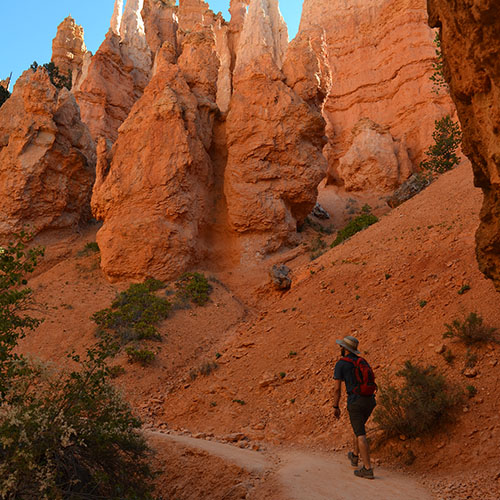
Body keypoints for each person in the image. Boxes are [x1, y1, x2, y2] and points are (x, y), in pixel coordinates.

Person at [332, 335, 376, 479]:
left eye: (341, 347)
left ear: (345, 349)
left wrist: (335, 406)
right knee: (359, 428)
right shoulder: (361, 361)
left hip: (355, 401)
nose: (340, 349)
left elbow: (337, 389)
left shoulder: (341, 364)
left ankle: (368, 469)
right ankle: (355, 456)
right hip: (369, 400)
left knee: (361, 435)